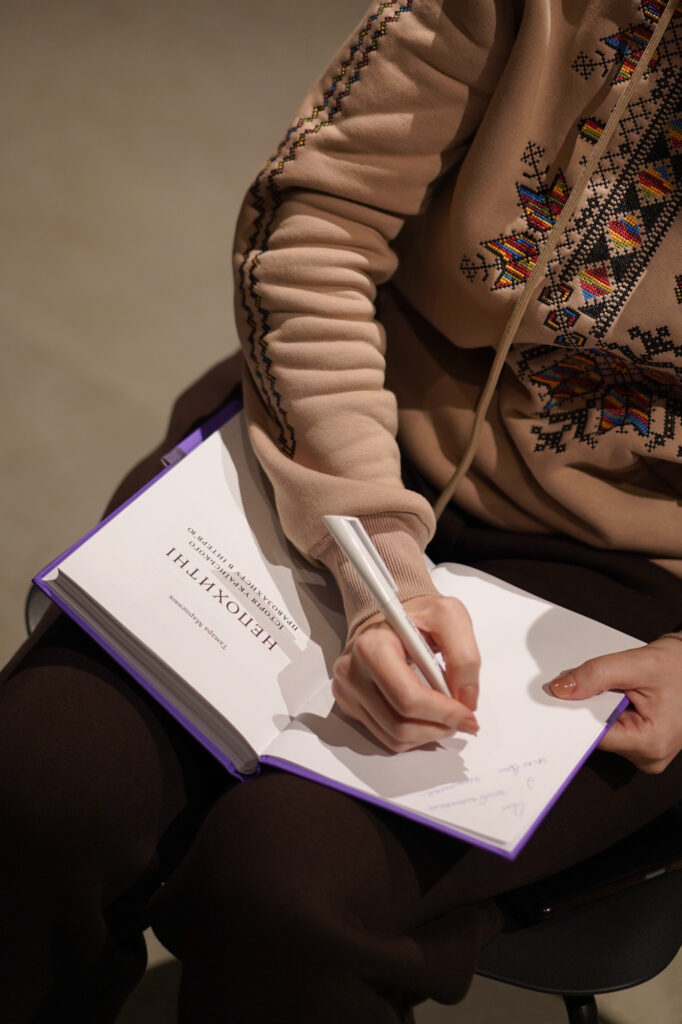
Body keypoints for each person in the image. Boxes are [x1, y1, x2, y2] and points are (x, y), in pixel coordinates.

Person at [1, 1, 681, 1021]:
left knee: (287, 894)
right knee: (38, 782)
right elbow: (313, 224)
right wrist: (374, 559)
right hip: (345, 431)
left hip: (637, 570)